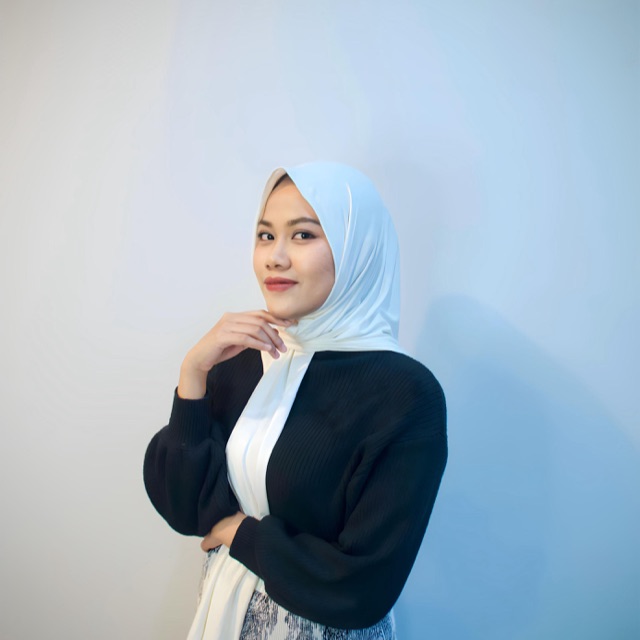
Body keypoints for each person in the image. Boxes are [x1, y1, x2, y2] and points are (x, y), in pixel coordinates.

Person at [143, 161, 448, 640]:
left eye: (303, 235)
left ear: (356, 249)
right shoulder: (245, 356)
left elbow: (362, 587)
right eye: (265, 236)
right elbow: (185, 509)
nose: (275, 257)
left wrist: (238, 534)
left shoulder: (405, 394)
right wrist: (193, 374)